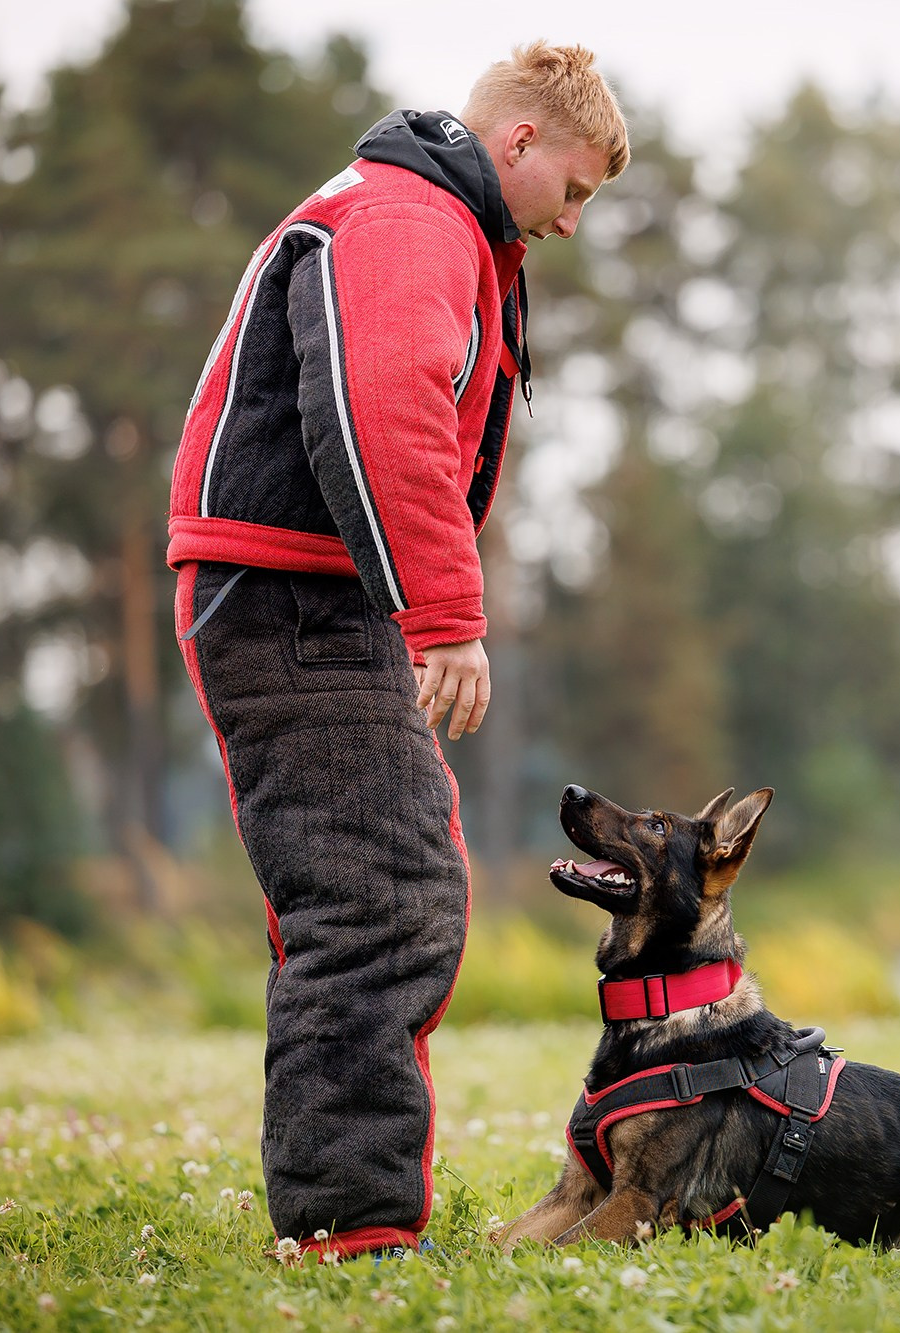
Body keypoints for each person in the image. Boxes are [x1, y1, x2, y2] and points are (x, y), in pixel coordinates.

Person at [164, 42, 629, 1263]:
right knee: (373, 901)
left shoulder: (417, 215)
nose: (572, 225)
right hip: (291, 590)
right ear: (518, 142)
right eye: (573, 191)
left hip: (312, 589)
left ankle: (348, 1217)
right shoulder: (411, 218)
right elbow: (382, 404)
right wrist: (445, 615)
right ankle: (347, 1233)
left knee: (392, 888)